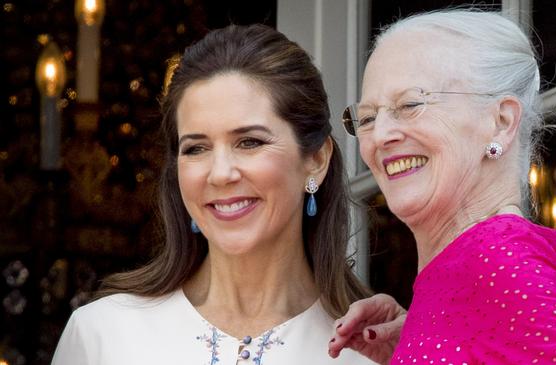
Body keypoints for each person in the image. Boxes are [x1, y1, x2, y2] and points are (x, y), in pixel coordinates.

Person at [52, 24, 375, 365]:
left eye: (249, 142)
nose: (220, 173)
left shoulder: (372, 351)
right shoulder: (102, 335)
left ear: (316, 159)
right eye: (196, 148)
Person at [328, 9, 556, 365]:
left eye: (410, 105)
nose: (379, 136)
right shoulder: (471, 272)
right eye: (367, 118)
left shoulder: (504, 264)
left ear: (501, 122)